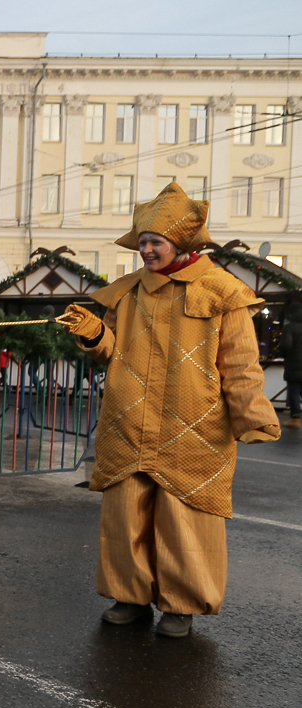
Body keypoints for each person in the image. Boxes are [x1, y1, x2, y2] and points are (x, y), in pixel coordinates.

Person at [58, 182, 280, 638]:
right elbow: (114, 349)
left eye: (155, 242)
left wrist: (252, 414)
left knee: (186, 517)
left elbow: (240, 360)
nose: (146, 251)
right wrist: (95, 333)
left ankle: (181, 606)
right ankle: (129, 597)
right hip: (128, 420)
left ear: (180, 242)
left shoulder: (223, 291)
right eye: (142, 243)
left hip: (194, 425)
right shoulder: (128, 292)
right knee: (125, 513)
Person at [278, 303, 302, 429]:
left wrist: (282, 354)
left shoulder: (290, 327)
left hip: (294, 364)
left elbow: (286, 346)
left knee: (293, 390)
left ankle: (295, 418)